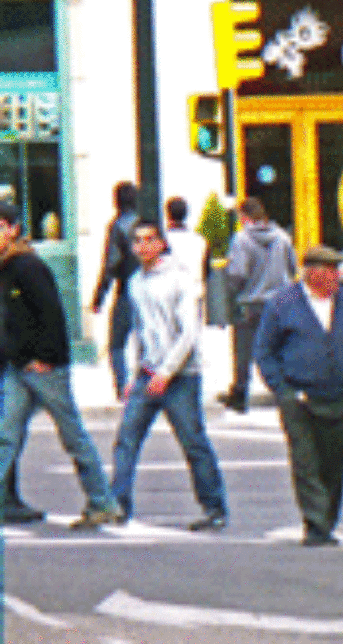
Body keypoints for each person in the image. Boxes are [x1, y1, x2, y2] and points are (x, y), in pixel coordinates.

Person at [0, 202, 122, 529]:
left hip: (43, 369)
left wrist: (47, 359)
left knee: (71, 435)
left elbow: (52, 315)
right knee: (5, 435)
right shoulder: (7, 267)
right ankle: (102, 502)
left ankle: (102, 502)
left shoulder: (27, 266)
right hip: (18, 365)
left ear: (12, 228)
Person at [110, 219, 228, 530]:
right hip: (148, 372)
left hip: (181, 375)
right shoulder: (135, 282)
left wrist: (167, 370)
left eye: (150, 239)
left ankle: (214, 506)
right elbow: (140, 329)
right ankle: (118, 503)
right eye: (138, 241)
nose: (143, 246)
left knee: (192, 441)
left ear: (162, 243)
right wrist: (137, 372)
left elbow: (189, 331)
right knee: (126, 440)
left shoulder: (180, 279)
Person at [253, 245, 343, 546]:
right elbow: (264, 351)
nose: (335, 277)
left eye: (336, 271)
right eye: (329, 271)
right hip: (299, 397)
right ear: (311, 273)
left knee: (334, 461)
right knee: (306, 462)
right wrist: (283, 390)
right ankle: (316, 524)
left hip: (341, 395)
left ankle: (327, 521)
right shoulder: (283, 304)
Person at [217, 197, 296, 413]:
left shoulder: (241, 240)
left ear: (244, 217)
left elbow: (238, 274)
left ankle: (240, 394)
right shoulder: (282, 237)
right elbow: (293, 268)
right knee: (277, 349)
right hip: (279, 303)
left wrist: (232, 290)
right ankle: (285, 391)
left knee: (243, 351)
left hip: (251, 304)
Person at [91, 181, 140, 400]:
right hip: (147, 289)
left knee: (116, 344)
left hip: (127, 291)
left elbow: (111, 263)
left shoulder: (118, 226)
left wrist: (99, 295)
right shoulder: (144, 225)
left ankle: (123, 387)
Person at [164, 195, 210, 315]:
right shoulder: (200, 240)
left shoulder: (163, 241)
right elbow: (207, 270)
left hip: (169, 295)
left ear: (167, 214)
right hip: (195, 293)